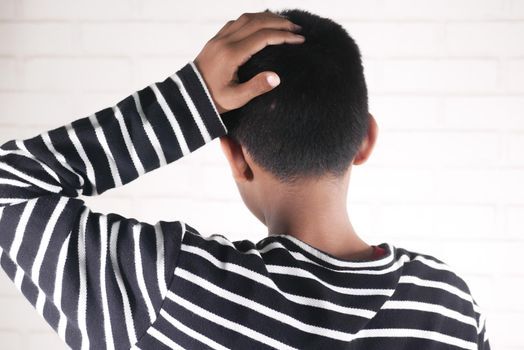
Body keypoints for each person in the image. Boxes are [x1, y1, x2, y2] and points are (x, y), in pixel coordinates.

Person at [0, 8, 489, 350]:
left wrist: (189, 99)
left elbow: (10, 187)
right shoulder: (449, 307)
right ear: (365, 140)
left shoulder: (174, 292)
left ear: (237, 157)